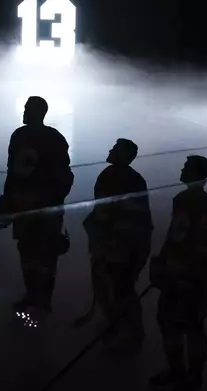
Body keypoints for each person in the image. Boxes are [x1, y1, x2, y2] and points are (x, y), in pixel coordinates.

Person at [149, 155, 207, 391]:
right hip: (179, 271)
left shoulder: (199, 204)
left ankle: (191, 374)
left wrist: (188, 272)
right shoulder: (185, 200)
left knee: (191, 324)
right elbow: (176, 234)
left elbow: (201, 241)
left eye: (186, 167)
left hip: (190, 274)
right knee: (171, 322)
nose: (181, 170)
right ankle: (180, 370)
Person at [0, 96, 74, 315]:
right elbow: (13, 173)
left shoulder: (24, 136)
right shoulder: (43, 137)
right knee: (30, 251)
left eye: (27, 109)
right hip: (29, 205)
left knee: (43, 253)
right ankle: (34, 295)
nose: (23, 112)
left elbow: (61, 174)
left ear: (36, 112)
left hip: (37, 205)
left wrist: (8, 203)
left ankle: (42, 298)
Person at [82, 138, 153, 353]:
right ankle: (118, 325)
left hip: (120, 243)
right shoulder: (116, 176)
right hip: (114, 242)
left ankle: (130, 332)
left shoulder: (122, 178)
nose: (110, 150)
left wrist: (109, 237)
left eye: (115, 148)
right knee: (108, 285)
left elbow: (124, 214)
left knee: (121, 288)